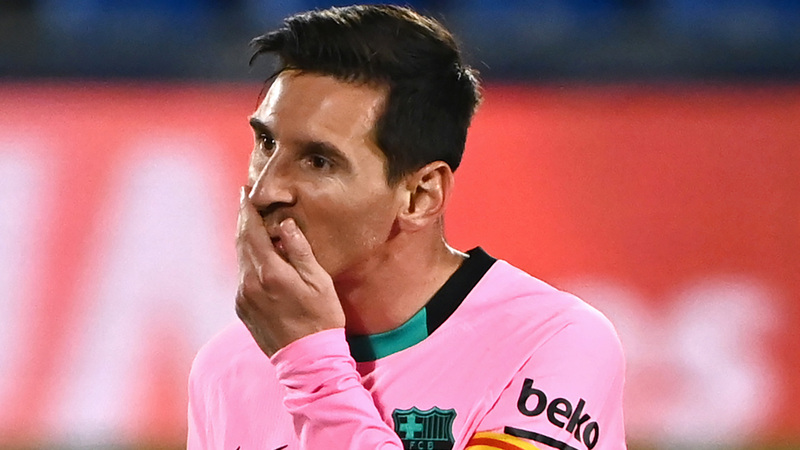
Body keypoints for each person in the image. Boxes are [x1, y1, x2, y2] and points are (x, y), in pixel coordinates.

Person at [187, 4, 626, 450]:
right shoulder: (224, 370)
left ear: (420, 196)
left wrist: (310, 367)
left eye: (318, 161)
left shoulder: (554, 342)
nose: (264, 191)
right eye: (266, 142)